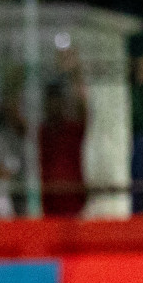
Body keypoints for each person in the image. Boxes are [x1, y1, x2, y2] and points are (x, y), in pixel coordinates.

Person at [40, 46, 89, 217]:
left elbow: (84, 109)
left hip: (74, 204)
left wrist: (75, 72)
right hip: (47, 205)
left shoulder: (72, 129)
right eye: (50, 101)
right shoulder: (41, 133)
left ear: (62, 103)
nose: (54, 106)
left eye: (57, 101)